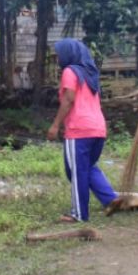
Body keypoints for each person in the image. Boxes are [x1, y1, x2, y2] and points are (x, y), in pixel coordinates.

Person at [47, 38, 117, 222]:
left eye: (59, 54)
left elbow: (69, 99)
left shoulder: (70, 72)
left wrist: (55, 125)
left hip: (80, 129)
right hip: (98, 128)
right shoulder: (89, 74)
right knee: (86, 167)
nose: (57, 58)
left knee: (76, 172)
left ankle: (78, 214)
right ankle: (110, 199)